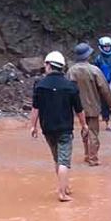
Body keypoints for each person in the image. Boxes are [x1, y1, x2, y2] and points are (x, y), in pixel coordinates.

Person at [29, 50, 86, 201]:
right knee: (64, 161)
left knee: (57, 159)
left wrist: (33, 126)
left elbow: (35, 108)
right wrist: (84, 125)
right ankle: (62, 193)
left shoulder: (40, 86)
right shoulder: (70, 86)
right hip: (65, 129)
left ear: (48, 65)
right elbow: (79, 109)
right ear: (62, 67)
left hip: (47, 129)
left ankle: (64, 186)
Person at [67, 42, 111, 164]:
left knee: (84, 128)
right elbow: (104, 88)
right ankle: (93, 158)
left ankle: (87, 154)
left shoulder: (71, 71)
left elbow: (67, 90)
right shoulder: (94, 70)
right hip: (93, 106)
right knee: (93, 132)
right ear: (88, 56)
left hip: (78, 107)